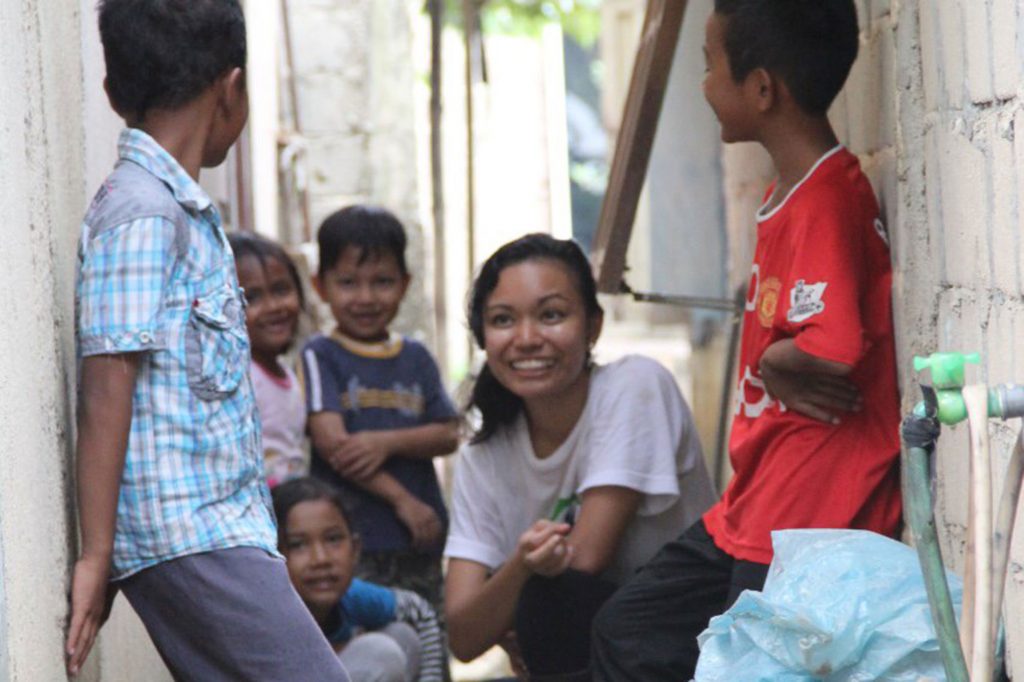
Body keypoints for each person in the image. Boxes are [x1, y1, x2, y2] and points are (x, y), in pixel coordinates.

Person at [591, 2, 901, 679]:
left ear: (761, 89)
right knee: (628, 628)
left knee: (737, 667)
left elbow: (837, 344)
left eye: (709, 67)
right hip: (756, 502)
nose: (704, 85)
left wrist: (779, 357)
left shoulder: (826, 198)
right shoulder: (785, 191)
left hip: (810, 512)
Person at [66, 1, 350, 678]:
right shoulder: (142, 210)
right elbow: (105, 385)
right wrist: (94, 554)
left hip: (218, 531)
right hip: (190, 536)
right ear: (233, 87)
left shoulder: (178, 211)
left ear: (112, 92)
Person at [444, 234, 715, 680]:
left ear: (593, 326)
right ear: (483, 336)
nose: (527, 338)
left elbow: (585, 560)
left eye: (551, 315)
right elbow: (465, 635)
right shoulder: (484, 450)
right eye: (503, 320)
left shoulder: (635, 386)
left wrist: (512, 608)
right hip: (591, 650)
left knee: (548, 602)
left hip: (686, 640)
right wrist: (520, 570)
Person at [301, 205, 458, 620]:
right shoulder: (321, 354)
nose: (366, 298)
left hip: (419, 539)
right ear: (321, 285)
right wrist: (403, 500)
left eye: (382, 282)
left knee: (425, 634)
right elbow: (334, 444)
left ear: (405, 284)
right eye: (349, 283)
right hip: (351, 545)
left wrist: (383, 442)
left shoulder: (416, 356)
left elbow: (449, 432)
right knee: (366, 645)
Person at [273, 477, 444, 682]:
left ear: (355, 549)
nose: (321, 559)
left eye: (333, 539)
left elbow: (420, 611)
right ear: (273, 556)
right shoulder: (264, 617)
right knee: (380, 653)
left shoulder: (352, 597)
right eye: (298, 544)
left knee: (402, 636)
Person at [229, 231, 308, 487]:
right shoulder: (240, 377)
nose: (274, 307)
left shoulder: (286, 372)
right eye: (251, 298)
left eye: (281, 290)